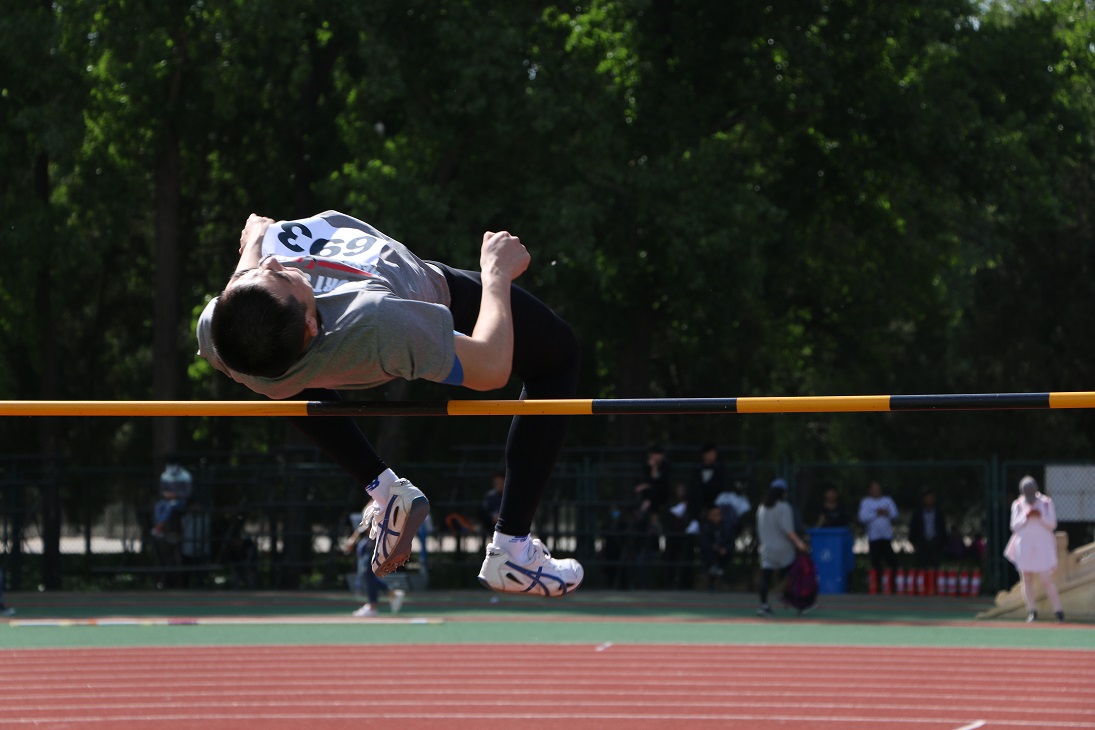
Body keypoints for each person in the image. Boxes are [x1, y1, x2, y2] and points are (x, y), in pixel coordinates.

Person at [197, 211, 582, 597]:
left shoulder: (224, 334)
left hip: (322, 340)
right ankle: (512, 547)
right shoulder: (378, 322)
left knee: (277, 365)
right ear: (313, 325)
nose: (275, 263)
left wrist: (255, 243)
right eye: (282, 277)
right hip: (432, 294)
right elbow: (491, 367)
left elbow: (242, 283)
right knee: (558, 358)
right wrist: (495, 271)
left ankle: (385, 489)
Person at [1004, 476, 1064, 623]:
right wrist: (1026, 516)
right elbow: (1014, 526)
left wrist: (1040, 516)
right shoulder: (1017, 504)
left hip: (1042, 544)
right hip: (1024, 545)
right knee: (1027, 578)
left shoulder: (1045, 502)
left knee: (1045, 577)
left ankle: (1058, 611)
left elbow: (1052, 524)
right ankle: (1032, 611)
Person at [755, 478, 810, 617]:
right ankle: (794, 600)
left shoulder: (761, 508)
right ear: (784, 492)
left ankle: (763, 605)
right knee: (792, 575)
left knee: (766, 577)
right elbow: (789, 530)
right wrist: (800, 544)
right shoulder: (784, 507)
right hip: (784, 549)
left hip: (767, 548)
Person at [343, 510, 405, 618]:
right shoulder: (378, 502)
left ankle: (373, 606)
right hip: (373, 539)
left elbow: (372, 524)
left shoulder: (382, 501)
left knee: (368, 573)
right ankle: (389, 595)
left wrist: (353, 539)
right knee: (367, 575)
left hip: (376, 541)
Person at [857, 480, 898, 573]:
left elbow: (895, 514)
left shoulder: (887, 500)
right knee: (876, 562)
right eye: (873, 488)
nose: (876, 490)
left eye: (877, 488)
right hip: (874, 537)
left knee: (891, 561)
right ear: (870, 490)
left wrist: (887, 513)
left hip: (886, 536)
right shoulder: (865, 502)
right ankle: (877, 583)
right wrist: (876, 513)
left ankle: (893, 581)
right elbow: (862, 518)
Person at [908, 487, 947, 570]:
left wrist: (942, 543)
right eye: (928, 498)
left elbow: (943, 529)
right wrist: (913, 542)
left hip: (935, 542)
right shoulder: (918, 513)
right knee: (921, 566)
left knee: (935, 566)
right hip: (922, 543)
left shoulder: (939, 513)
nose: (930, 500)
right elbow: (913, 527)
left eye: (931, 497)